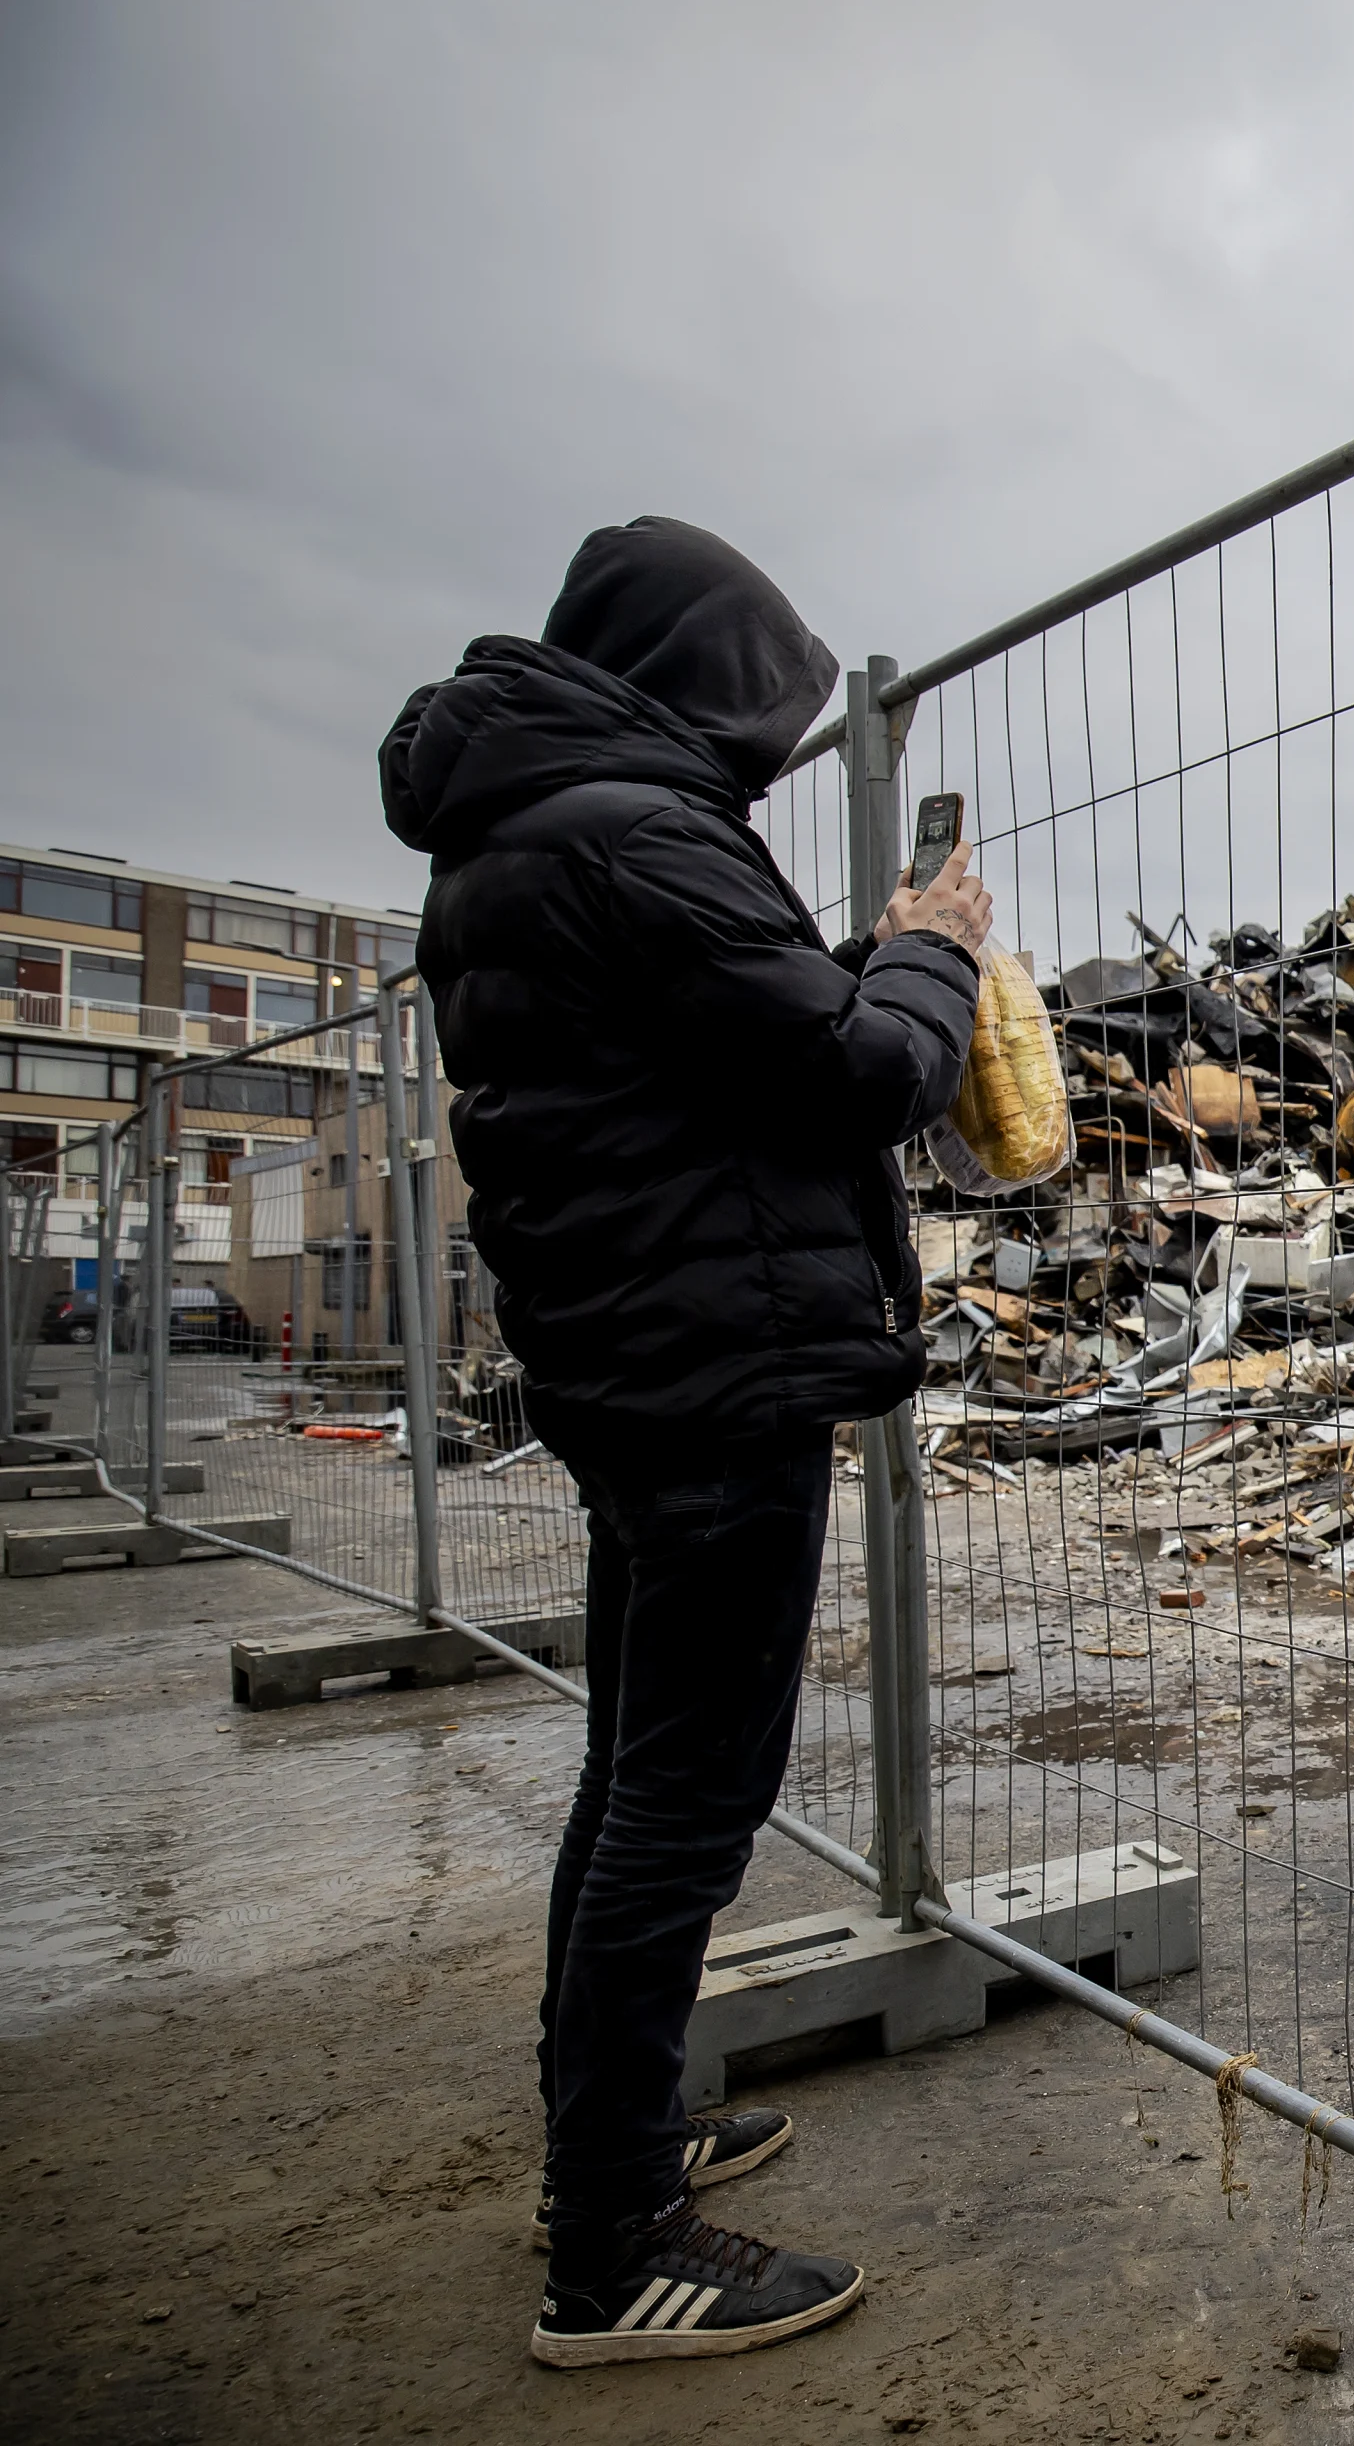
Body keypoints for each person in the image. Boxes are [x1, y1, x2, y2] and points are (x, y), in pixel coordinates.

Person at [379, 517, 990, 2366]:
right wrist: (928, 957)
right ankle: (612, 2243)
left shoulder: (517, 833)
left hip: (629, 1364)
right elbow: (855, 1070)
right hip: (714, 1373)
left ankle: (623, 2131)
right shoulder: (633, 839)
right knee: (686, 1798)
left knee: (632, 1771)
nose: (769, 757)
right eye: (761, 716)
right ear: (692, 685)